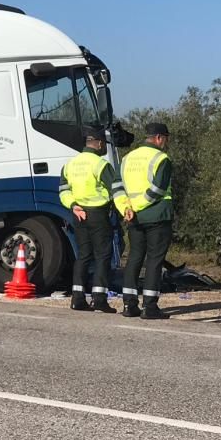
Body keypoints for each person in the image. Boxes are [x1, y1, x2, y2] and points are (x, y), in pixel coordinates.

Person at [59, 126, 133, 312]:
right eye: (104, 145)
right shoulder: (100, 165)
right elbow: (115, 189)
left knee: (83, 255)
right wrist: (125, 208)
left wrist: (73, 205)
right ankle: (99, 299)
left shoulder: (70, 164)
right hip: (98, 214)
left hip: (78, 213)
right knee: (102, 256)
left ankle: (77, 298)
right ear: (99, 143)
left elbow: (63, 191)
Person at [119, 123, 173, 320]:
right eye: (165, 138)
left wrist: (126, 208)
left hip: (133, 217)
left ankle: (129, 304)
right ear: (159, 138)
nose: (165, 143)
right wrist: (138, 206)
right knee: (154, 260)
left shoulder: (126, 159)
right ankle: (149, 307)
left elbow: (117, 188)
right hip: (157, 215)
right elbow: (158, 190)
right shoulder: (161, 159)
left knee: (134, 258)